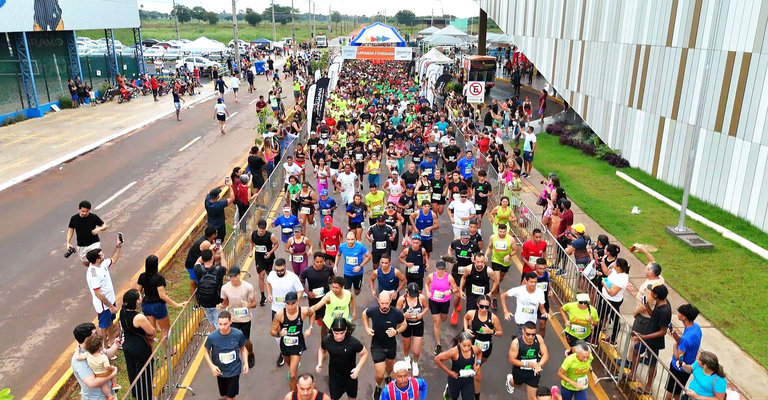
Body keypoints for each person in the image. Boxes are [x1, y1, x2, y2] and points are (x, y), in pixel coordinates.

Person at [363, 292, 407, 399]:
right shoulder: (373, 311)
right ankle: (378, 386)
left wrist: (396, 332)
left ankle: (388, 377)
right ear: (378, 301)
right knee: (380, 373)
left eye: (386, 303)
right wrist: (367, 328)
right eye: (382, 303)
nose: (384, 306)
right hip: (377, 345)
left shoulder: (396, 313)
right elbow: (364, 314)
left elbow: (404, 324)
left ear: (390, 301)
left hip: (391, 345)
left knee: (390, 366)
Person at [630, 285, 672, 395]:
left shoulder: (665, 311)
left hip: (654, 340)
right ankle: (632, 374)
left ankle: (648, 387)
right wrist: (648, 307)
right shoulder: (660, 303)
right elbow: (654, 317)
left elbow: (663, 331)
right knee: (636, 350)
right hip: (648, 335)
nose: (651, 294)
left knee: (653, 363)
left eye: (652, 292)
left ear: (656, 295)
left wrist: (644, 337)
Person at [271, 291, 316, 392]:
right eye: (288, 304)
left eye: (293, 303)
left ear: (297, 302)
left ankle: (293, 394)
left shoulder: (303, 311)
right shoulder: (279, 315)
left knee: (292, 375)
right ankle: (294, 366)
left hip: (297, 344)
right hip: (285, 345)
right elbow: (272, 331)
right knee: (290, 365)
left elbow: (312, 313)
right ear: (285, 303)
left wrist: (310, 327)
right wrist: (279, 334)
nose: (290, 307)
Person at [134, 255, 186, 342]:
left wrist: (141, 301)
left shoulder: (142, 276)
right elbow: (162, 295)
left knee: (151, 332)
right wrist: (176, 304)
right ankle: (168, 352)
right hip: (158, 306)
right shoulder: (158, 278)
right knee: (165, 330)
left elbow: (137, 291)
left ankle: (151, 353)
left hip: (146, 305)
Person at [316, 318, 369, 400]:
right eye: (336, 333)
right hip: (335, 378)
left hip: (351, 377)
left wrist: (357, 369)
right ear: (332, 330)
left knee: (352, 398)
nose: (339, 336)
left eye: (342, 333)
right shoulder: (327, 340)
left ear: (346, 330)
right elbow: (321, 350)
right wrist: (319, 363)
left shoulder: (353, 342)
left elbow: (364, 353)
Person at [463, 294, 503, 400]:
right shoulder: (472, 314)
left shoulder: (493, 318)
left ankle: (468, 373)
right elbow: (465, 318)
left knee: (475, 367)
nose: (484, 309)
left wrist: (492, 331)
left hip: (486, 349)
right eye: (482, 306)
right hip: (472, 347)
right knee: (477, 375)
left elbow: (500, 333)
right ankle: (476, 396)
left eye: (487, 307)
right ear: (477, 304)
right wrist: (466, 329)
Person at [266, 259, 305, 367]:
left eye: (281, 270)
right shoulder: (272, 275)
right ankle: (282, 353)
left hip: (290, 311)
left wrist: (295, 303)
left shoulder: (293, 278)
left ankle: (295, 353)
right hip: (276, 309)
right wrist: (269, 294)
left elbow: (300, 291)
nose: (279, 272)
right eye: (277, 270)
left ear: (285, 266)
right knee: (277, 334)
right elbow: (268, 283)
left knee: (292, 332)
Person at [84, 237, 122, 347]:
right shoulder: (93, 274)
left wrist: (118, 247)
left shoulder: (102, 265)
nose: (103, 255)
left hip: (110, 301)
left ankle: (111, 342)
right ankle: (101, 348)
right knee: (103, 326)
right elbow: (98, 293)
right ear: (97, 259)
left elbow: (113, 260)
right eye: (101, 255)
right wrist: (110, 306)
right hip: (104, 305)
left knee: (110, 322)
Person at [203, 311, 248, 400]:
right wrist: (212, 366)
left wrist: (245, 363)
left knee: (231, 396)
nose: (223, 327)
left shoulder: (238, 334)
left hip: (234, 371)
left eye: (225, 324)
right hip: (220, 372)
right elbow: (205, 351)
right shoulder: (212, 337)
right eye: (220, 324)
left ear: (230, 322)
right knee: (224, 395)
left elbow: (243, 348)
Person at [119, 290, 155, 400]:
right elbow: (151, 331)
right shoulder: (139, 317)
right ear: (136, 301)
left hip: (128, 346)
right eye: (140, 297)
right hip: (140, 347)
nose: (142, 297)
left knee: (133, 372)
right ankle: (146, 396)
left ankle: (136, 393)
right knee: (145, 374)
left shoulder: (122, 311)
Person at [220, 266, 258, 368]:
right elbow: (225, 303)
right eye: (231, 277)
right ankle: (236, 360)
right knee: (233, 340)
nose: (233, 279)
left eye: (235, 277)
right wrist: (220, 306)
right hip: (233, 318)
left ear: (239, 275)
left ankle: (250, 354)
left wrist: (248, 305)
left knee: (245, 340)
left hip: (245, 318)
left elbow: (254, 303)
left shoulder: (248, 287)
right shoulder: (225, 288)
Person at [71, 322, 120, 400]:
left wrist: (116, 344)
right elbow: (92, 383)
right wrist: (112, 374)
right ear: (87, 339)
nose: (97, 335)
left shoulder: (94, 346)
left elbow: (107, 354)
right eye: (95, 334)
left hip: (108, 394)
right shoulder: (79, 361)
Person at [505, 322, 550, 400]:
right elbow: (512, 359)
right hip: (519, 370)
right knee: (516, 383)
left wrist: (539, 365)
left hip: (534, 372)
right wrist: (528, 364)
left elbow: (545, 354)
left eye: (533, 334)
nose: (530, 337)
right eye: (528, 334)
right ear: (523, 331)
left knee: (533, 397)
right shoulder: (516, 343)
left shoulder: (538, 338)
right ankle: (510, 381)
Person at [666, 304, 702, 400]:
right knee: (676, 392)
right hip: (687, 368)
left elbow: (678, 357)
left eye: (680, 313)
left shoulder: (686, 338)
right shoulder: (696, 328)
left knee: (671, 392)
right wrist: (675, 335)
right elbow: (685, 343)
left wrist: (674, 346)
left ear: (684, 317)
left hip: (678, 369)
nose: (677, 313)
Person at [434, 332, 482, 400]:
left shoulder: (474, 349)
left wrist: (478, 364)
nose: (467, 348)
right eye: (464, 345)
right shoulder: (454, 352)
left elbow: (480, 352)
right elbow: (437, 359)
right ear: (459, 343)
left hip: (468, 379)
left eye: (469, 345)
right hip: (456, 378)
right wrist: (449, 372)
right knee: (452, 397)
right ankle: (447, 391)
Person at [425, 261, 459, 353]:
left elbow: (456, 289)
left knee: (443, 319)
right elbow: (426, 284)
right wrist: (428, 292)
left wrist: (450, 291)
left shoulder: (449, 277)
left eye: (442, 269)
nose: (441, 271)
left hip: (444, 302)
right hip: (433, 301)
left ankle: (443, 315)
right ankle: (438, 344)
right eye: (439, 269)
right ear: (436, 269)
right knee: (437, 322)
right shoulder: (431, 276)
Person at [397, 282, 429, 376]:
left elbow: (426, 307)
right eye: (411, 295)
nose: (413, 297)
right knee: (406, 346)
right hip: (406, 325)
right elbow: (396, 313)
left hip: (418, 324)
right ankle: (406, 358)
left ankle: (415, 362)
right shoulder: (402, 300)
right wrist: (403, 315)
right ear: (407, 292)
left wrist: (421, 315)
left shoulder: (421, 298)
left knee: (416, 351)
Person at [300, 252, 335, 337]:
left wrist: (331, 286)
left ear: (323, 261)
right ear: (314, 261)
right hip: (313, 297)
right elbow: (301, 281)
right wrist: (307, 292)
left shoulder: (328, 269)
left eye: (321, 262)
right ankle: (320, 319)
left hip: (326, 296)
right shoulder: (307, 271)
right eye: (317, 262)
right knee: (315, 315)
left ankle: (325, 335)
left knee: (325, 317)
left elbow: (333, 277)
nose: (319, 264)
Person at [194, 248, 228, 332]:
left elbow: (197, 262)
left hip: (204, 303)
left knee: (211, 323)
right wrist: (221, 253)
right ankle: (219, 341)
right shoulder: (218, 270)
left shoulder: (198, 269)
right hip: (217, 303)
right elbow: (225, 266)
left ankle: (213, 338)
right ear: (212, 258)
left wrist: (208, 252)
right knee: (220, 324)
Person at [67, 200, 107, 266]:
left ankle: (102, 272)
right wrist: (68, 242)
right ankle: (92, 271)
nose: (85, 213)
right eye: (83, 211)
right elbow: (71, 230)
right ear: (79, 210)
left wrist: (99, 229)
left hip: (94, 243)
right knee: (86, 263)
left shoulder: (93, 217)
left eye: (87, 211)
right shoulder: (74, 219)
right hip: (81, 245)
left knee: (97, 260)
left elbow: (104, 226)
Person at [252, 219, 279, 306]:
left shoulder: (271, 236)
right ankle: (263, 296)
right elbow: (251, 242)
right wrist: (250, 251)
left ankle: (274, 291)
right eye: (260, 228)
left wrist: (270, 253)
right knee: (261, 275)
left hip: (268, 258)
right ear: (257, 227)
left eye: (263, 229)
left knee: (270, 275)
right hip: (259, 258)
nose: (261, 230)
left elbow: (276, 244)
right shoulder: (253, 234)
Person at [82, 334, 118, 399]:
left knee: (103, 385)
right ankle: (114, 384)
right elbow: (107, 366)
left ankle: (109, 396)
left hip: (98, 374)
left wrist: (76, 351)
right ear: (100, 347)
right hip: (106, 372)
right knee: (113, 372)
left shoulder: (87, 354)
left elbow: (79, 357)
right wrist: (112, 368)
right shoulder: (103, 357)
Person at [336, 231, 371, 295]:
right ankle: (349, 303)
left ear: (355, 239)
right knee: (347, 293)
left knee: (357, 292)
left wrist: (360, 266)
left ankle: (359, 285)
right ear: (346, 239)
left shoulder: (360, 246)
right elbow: (338, 254)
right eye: (348, 239)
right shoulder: (342, 246)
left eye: (352, 239)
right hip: (347, 273)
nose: (350, 241)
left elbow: (369, 256)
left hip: (358, 273)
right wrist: (335, 265)